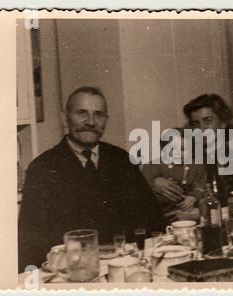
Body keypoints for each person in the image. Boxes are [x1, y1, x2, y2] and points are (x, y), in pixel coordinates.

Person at [18, 86, 165, 272]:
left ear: (106, 120)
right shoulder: (43, 168)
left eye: (98, 114)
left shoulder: (122, 160)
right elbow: (30, 245)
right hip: (71, 276)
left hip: (125, 267)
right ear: (64, 118)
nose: (90, 121)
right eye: (82, 113)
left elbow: (154, 220)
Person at [142, 128, 206, 222]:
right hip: (161, 213)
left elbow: (201, 183)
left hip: (187, 212)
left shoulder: (196, 166)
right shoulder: (154, 165)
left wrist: (194, 197)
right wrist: (153, 182)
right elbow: (143, 180)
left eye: (183, 149)